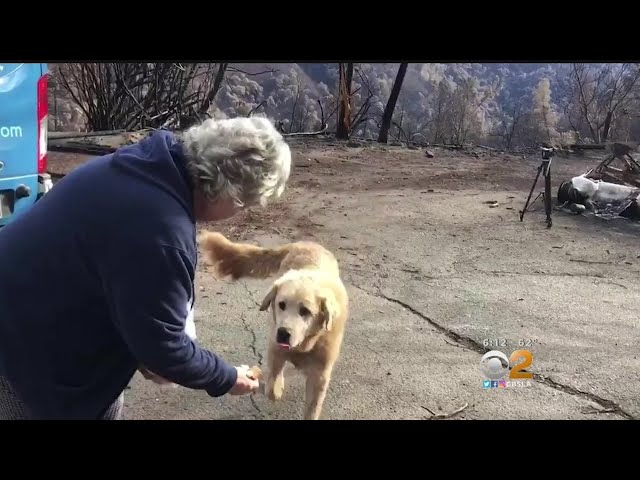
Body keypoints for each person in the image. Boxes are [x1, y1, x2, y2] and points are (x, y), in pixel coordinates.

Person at [0, 116, 292, 420]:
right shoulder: (162, 231)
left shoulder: (149, 164)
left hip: (37, 301)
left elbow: (134, 297)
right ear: (231, 194)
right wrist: (227, 377)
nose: (238, 213)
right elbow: (165, 349)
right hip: (23, 340)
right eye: (245, 205)